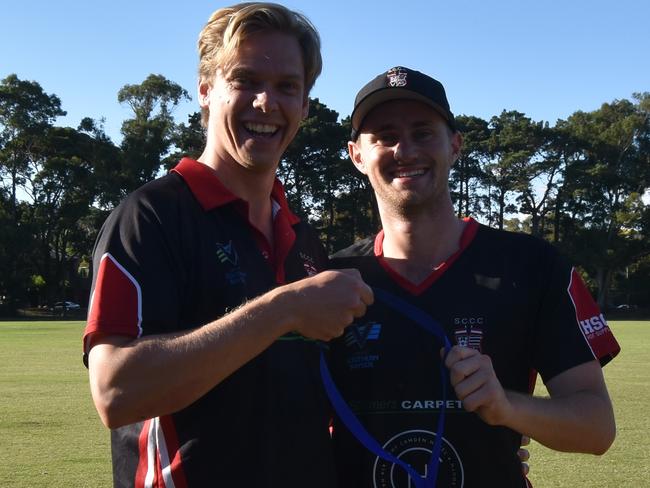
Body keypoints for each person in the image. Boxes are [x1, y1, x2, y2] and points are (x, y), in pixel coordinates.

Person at [82, 3, 373, 486]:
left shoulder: (302, 237)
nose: (266, 102)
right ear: (205, 90)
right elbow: (116, 392)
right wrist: (284, 308)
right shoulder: (152, 217)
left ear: (304, 105)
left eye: (287, 87)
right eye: (245, 80)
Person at [328, 66, 620, 487]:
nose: (404, 150)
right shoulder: (331, 280)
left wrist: (507, 407)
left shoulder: (534, 266)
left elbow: (597, 427)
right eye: (385, 136)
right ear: (357, 155)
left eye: (423, 132)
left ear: (455, 145)